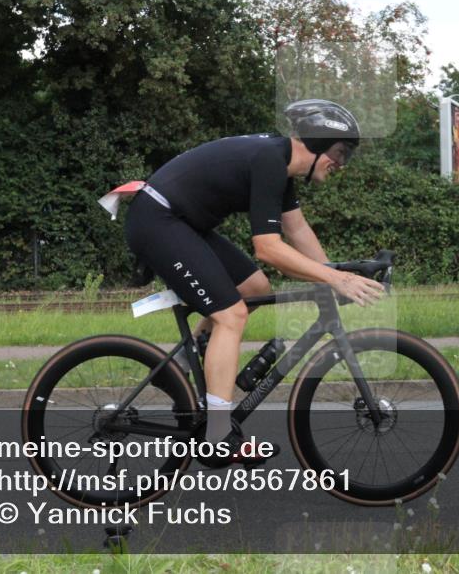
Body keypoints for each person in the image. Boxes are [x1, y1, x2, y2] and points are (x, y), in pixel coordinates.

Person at [124, 99, 385, 464]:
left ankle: (179, 366)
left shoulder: (279, 164)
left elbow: (297, 230)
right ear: (315, 144)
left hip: (178, 221)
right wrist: (333, 277)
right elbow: (268, 248)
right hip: (159, 220)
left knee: (255, 289)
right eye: (340, 152)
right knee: (231, 316)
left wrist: (337, 272)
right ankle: (217, 435)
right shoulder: (269, 161)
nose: (341, 164)